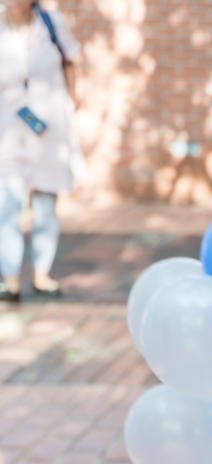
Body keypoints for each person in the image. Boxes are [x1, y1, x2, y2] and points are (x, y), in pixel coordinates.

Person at [0, 0, 83, 302]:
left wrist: (73, 102)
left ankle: (41, 275)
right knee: (7, 206)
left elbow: (71, 60)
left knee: (46, 204)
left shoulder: (51, 23)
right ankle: (9, 280)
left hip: (48, 128)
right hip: (8, 129)